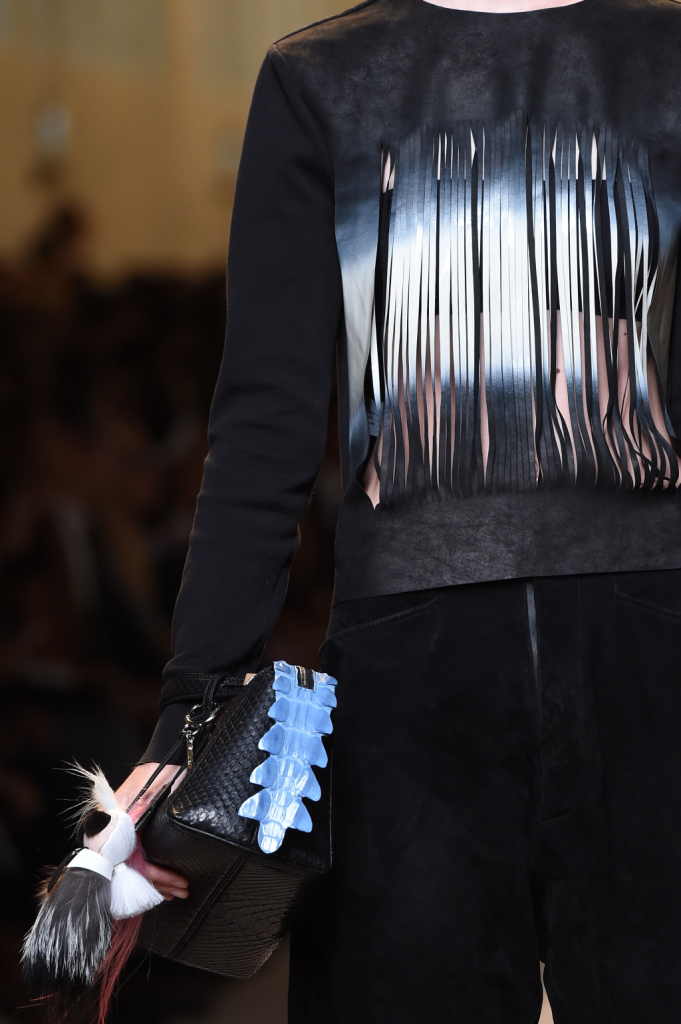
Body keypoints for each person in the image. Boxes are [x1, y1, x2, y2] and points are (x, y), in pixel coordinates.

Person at [116, 0, 681, 1020]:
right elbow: (266, 418)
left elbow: (266, 422)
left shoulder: (323, 73)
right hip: (587, 646)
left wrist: (192, 699)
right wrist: (190, 705)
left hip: (448, 655)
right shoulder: (314, 78)